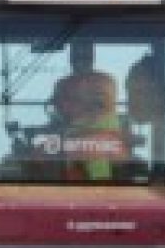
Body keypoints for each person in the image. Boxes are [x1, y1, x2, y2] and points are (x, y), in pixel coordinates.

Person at [49, 42, 123, 181]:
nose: (81, 59)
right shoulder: (62, 84)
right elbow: (59, 110)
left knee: (96, 158)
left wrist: (79, 119)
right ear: (71, 58)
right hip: (72, 136)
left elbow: (102, 108)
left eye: (85, 55)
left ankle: (101, 191)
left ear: (92, 57)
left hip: (101, 136)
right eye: (77, 55)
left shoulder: (105, 81)